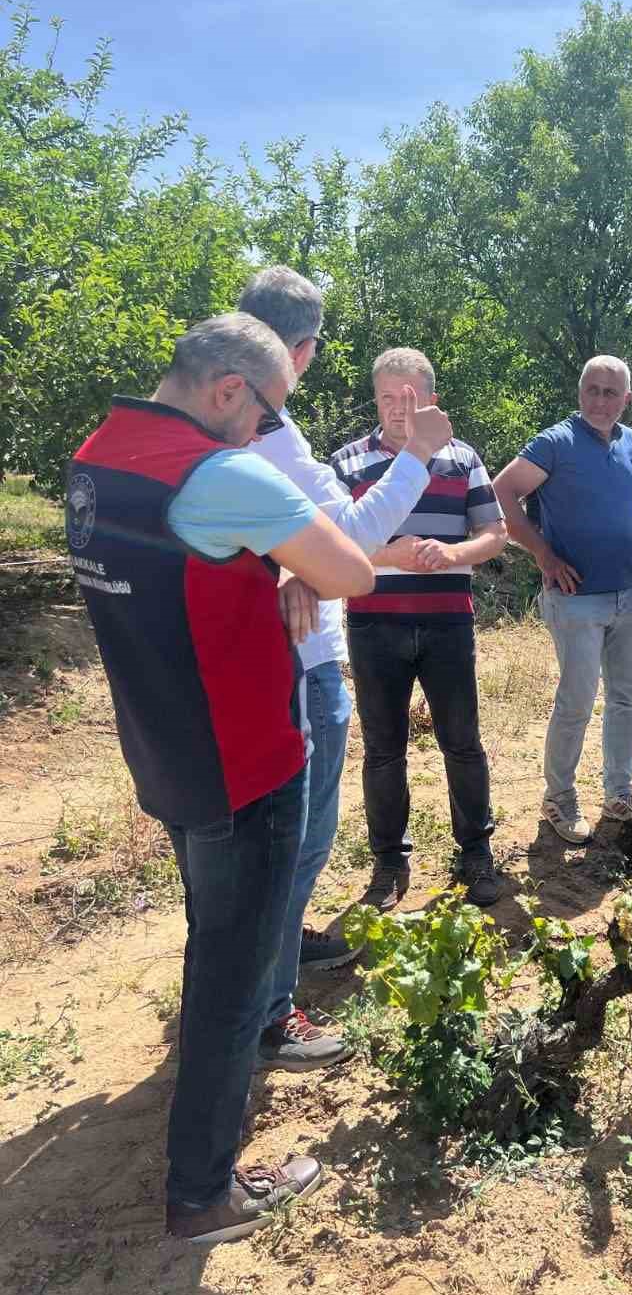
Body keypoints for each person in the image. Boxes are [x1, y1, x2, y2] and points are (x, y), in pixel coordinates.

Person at [68, 314, 376, 1244]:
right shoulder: (221, 474)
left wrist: (273, 564)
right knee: (234, 973)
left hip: (166, 747)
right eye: (268, 411)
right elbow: (352, 571)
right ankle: (204, 1191)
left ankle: (210, 1115)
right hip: (244, 759)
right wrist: (294, 563)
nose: (266, 436)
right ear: (229, 390)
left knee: (215, 941)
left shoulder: (98, 456)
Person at [238, 269, 452, 1070]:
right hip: (303, 665)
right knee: (298, 839)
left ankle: (276, 957)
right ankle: (268, 1009)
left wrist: (303, 564)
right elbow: (354, 541)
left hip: (277, 651)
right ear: (304, 351)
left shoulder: (229, 422)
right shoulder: (275, 435)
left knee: (280, 836)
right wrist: (420, 460)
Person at [331, 347, 508, 911]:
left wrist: (451, 552)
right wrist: (394, 556)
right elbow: (334, 546)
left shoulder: (462, 458)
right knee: (383, 750)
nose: (397, 410)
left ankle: (476, 852)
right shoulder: (347, 463)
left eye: (408, 399)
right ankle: (387, 863)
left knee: (462, 742)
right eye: (386, 397)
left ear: (430, 399)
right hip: (373, 625)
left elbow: (495, 534)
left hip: (446, 624)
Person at [493, 356, 632, 844]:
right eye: (593, 389)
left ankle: (619, 790)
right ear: (580, 391)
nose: (601, 400)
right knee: (576, 703)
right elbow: (502, 491)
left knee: (627, 698)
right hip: (576, 600)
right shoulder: (554, 443)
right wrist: (543, 555)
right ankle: (559, 798)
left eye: (611, 393)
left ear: (626, 400)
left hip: (631, 594)